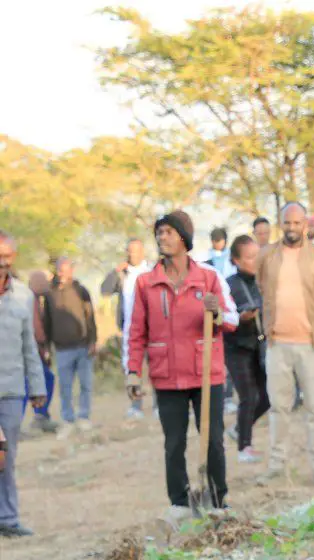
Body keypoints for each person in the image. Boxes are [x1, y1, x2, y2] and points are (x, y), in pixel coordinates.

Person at [126, 210, 238, 523]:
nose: (162, 238)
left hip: (206, 374)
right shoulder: (146, 283)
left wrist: (215, 313)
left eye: (169, 232)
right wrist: (133, 371)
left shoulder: (209, 278)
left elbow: (231, 319)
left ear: (184, 239)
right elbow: (135, 331)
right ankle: (179, 502)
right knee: (173, 443)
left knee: (213, 439)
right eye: (159, 233)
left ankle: (217, 500)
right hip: (167, 376)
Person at [256, 202, 314, 485]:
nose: (292, 228)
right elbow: (261, 289)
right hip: (278, 343)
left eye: (297, 223)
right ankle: (277, 465)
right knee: (279, 408)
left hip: (312, 344)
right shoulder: (267, 256)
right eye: (287, 223)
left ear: (306, 224)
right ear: (281, 224)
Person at [0, 230, 47, 537]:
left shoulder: (23, 295)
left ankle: (8, 518)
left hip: (11, 389)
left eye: (5, 256)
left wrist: (38, 386)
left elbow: (30, 346)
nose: (1, 262)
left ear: (12, 258)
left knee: (6, 456)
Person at [225, 234, 268, 463]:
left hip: (258, 346)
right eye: (249, 257)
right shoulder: (230, 284)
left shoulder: (262, 281)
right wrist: (242, 317)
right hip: (236, 347)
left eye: (257, 255)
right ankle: (245, 447)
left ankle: (238, 429)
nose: (255, 260)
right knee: (248, 396)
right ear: (236, 260)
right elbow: (229, 315)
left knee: (268, 395)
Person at [41, 257, 96, 435]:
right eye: (60, 269)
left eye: (66, 269)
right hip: (62, 349)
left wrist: (93, 340)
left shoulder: (82, 291)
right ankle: (67, 418)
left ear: (71, 270)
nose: (63, 272)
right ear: (57, 271)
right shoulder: (49, 294)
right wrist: (46, 347)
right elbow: (46, 322)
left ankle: (84, 417)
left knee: (85, 384)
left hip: (83, 345)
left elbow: (90, 317)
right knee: (65, 386)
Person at [102, 239, 154, 419]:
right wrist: (115, 271)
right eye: (130, 251)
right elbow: (105, 290)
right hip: (131, 328)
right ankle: (136, 406)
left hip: (153, 327)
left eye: (137, 251)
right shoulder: (122, 274)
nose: (133, 255)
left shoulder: (152, 271)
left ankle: (157, 405)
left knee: (156, 366)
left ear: (143, 252)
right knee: (133, 368)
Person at [25, 270, 56, 433]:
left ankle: (41, 415)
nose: (46, 285)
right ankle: (38, 416)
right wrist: (43, 348)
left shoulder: (40, 300)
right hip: (31, 349)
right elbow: (36, 330)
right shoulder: (29, 300)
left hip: (36, 349)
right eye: (42, 282)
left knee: (45, 380)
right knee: (37, 381)